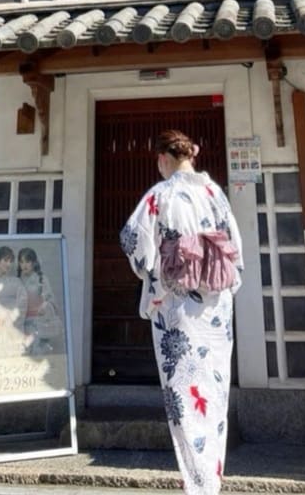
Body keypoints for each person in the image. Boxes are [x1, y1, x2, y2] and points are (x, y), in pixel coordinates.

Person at [120, 130, 243, 495]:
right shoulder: (215, 193)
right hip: (217, 308)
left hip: (177, 310)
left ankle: (197, 481)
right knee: (214, 391)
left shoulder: (160, 195)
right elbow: (234, 246)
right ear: (193, 155)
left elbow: (134, 241)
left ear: (164, 158)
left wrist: (153, 268)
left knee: (184, 395)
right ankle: (210, 479)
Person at [17, 246, 61, 354]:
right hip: (21, 323)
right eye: (21, 262)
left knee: (37, 354)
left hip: (38, 323)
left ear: (34, 263)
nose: (24, 265)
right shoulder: (17, 280)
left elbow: (51, 299)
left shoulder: (41, 279)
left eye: (27, 261)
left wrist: (45, 306)